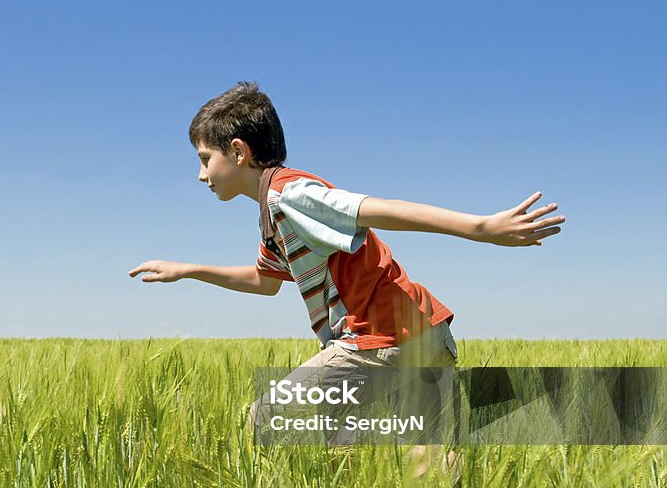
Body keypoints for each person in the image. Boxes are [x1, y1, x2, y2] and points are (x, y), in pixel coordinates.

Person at [128, 82, 565, 444]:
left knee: (265, 421)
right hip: (425, 331)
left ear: (238, 152)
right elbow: (264, 281)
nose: (201, 175)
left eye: (205, 160)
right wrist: (188, 270)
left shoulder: (290, 194)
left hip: (382, 340)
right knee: (425, 462)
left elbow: (376, 208)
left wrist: (480, 228)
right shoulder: (272, 212)